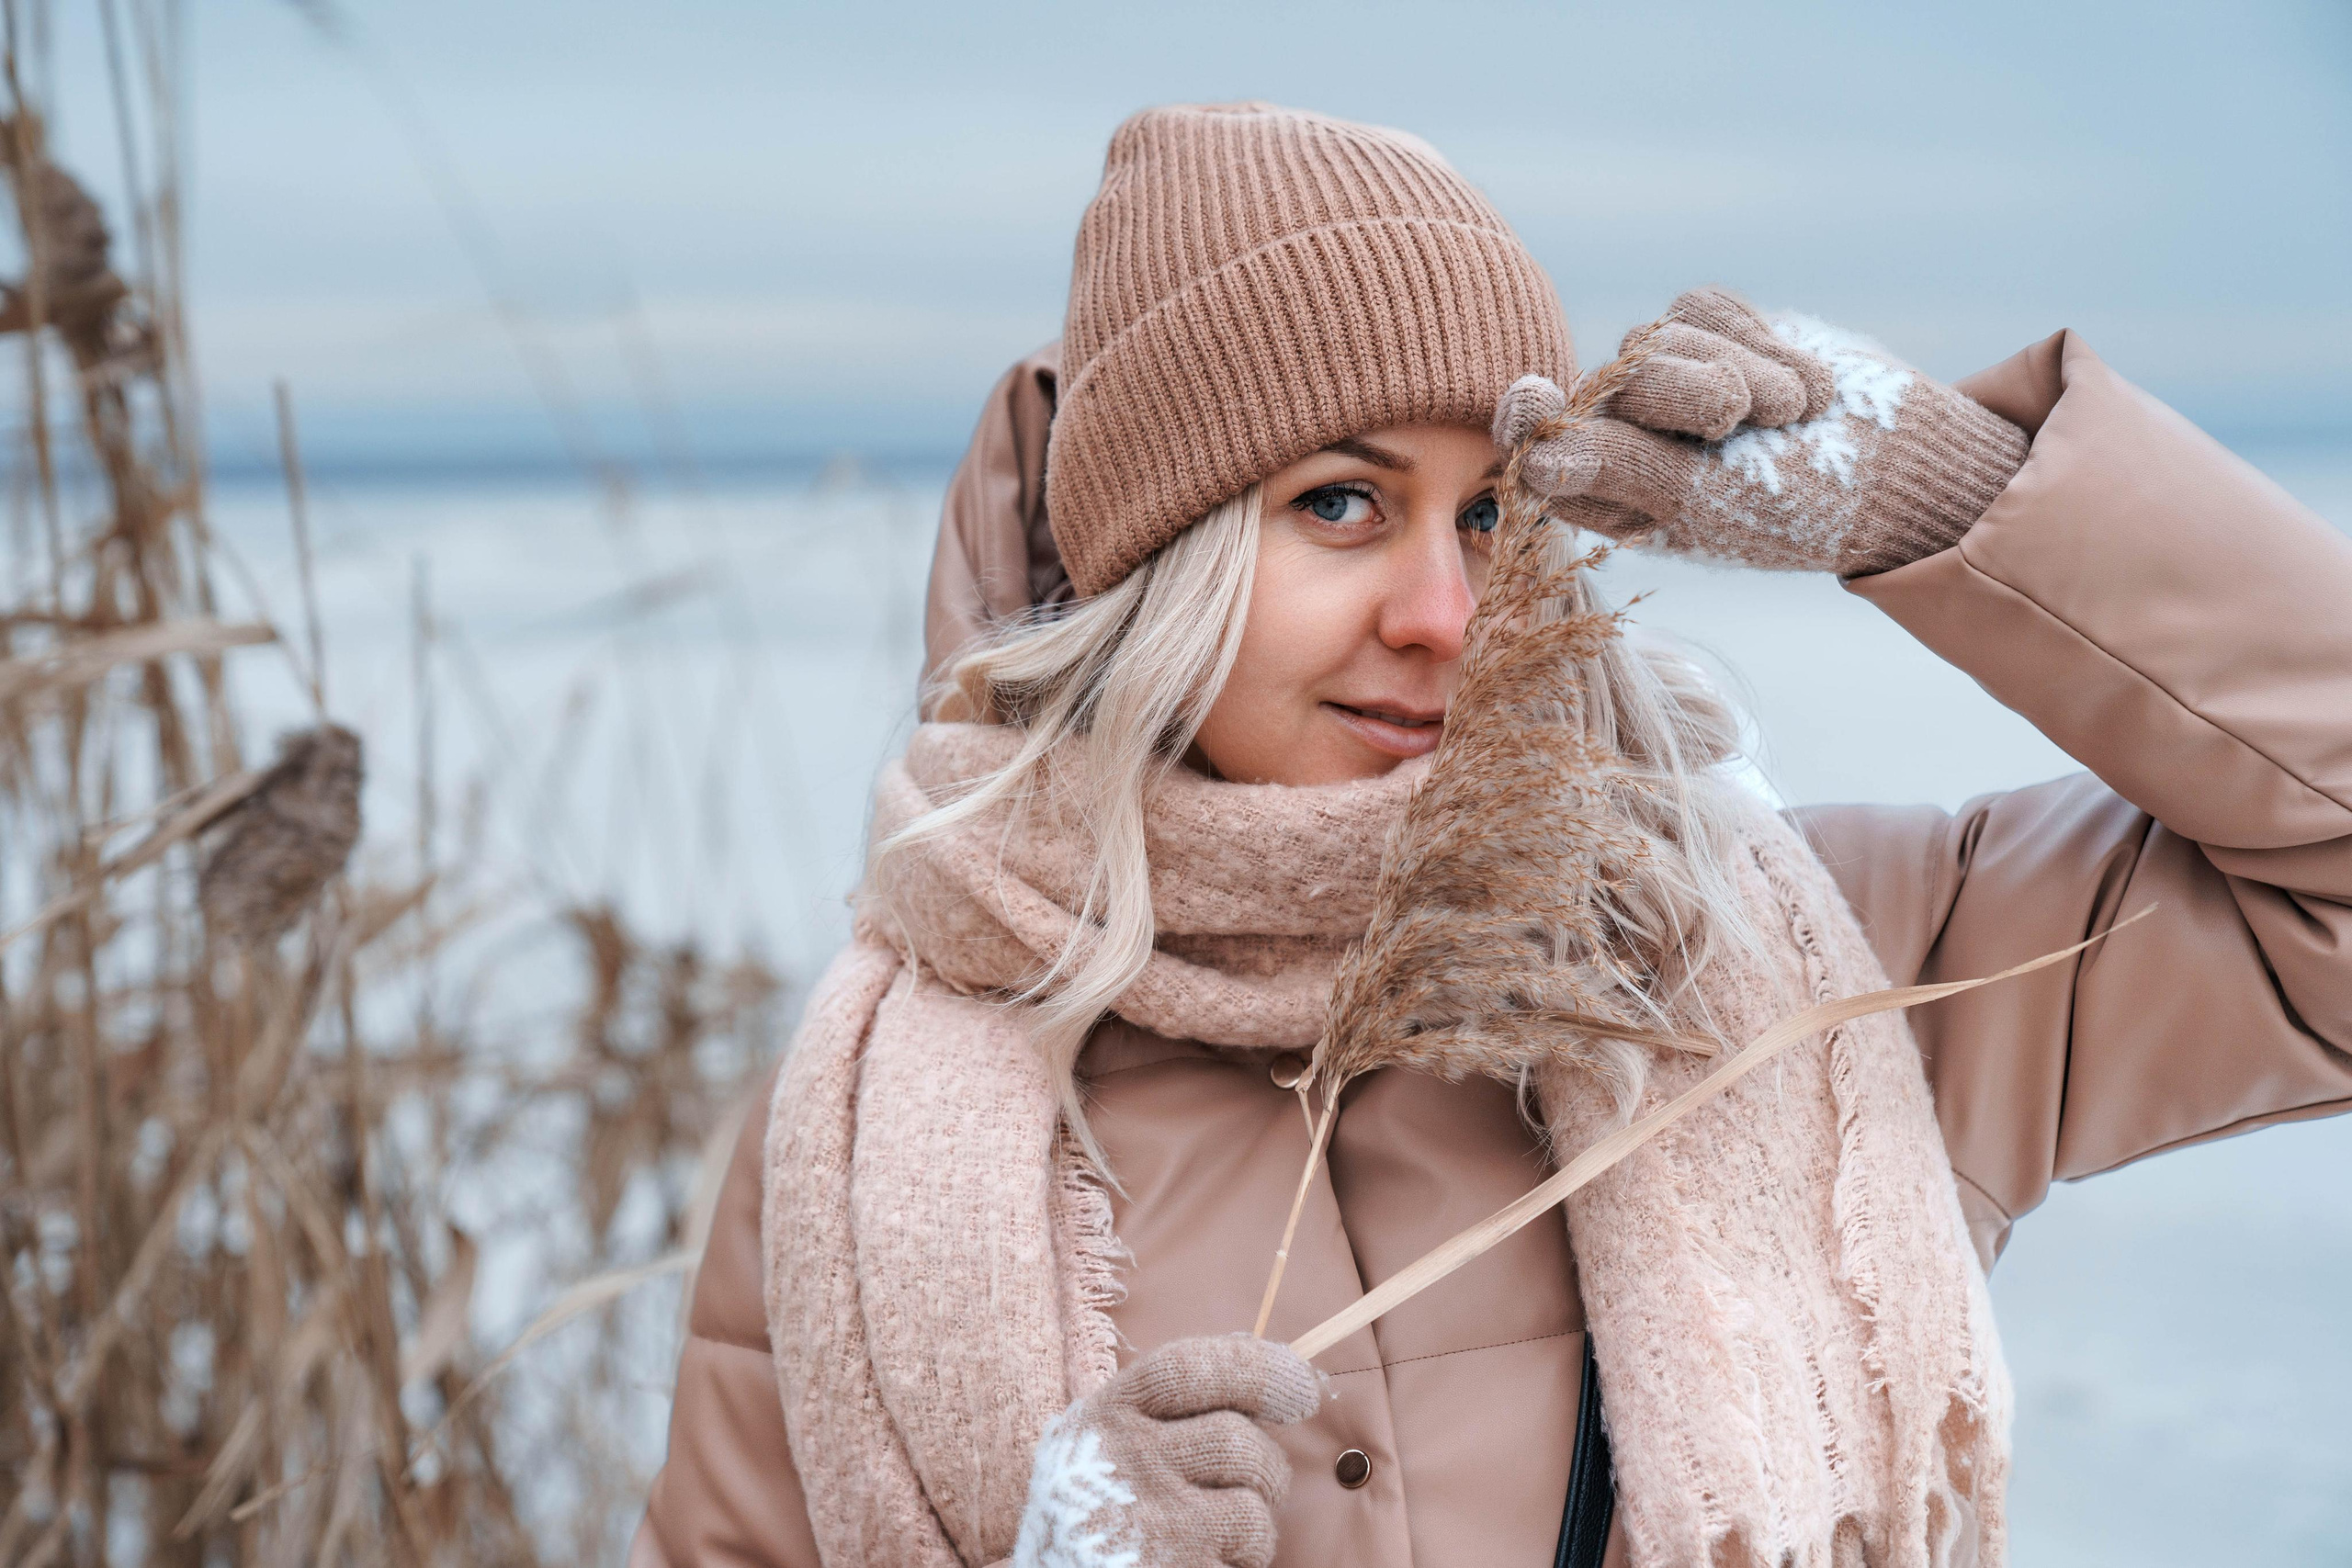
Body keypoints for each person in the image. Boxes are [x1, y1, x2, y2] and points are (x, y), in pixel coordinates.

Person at [630, 103, 2352, 1568]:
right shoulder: (875, 1122)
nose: (1445, 614)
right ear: (1159, 567)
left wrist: (1956, 499)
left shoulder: (1809, 966)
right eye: (1341, 503)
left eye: (1493, 513)